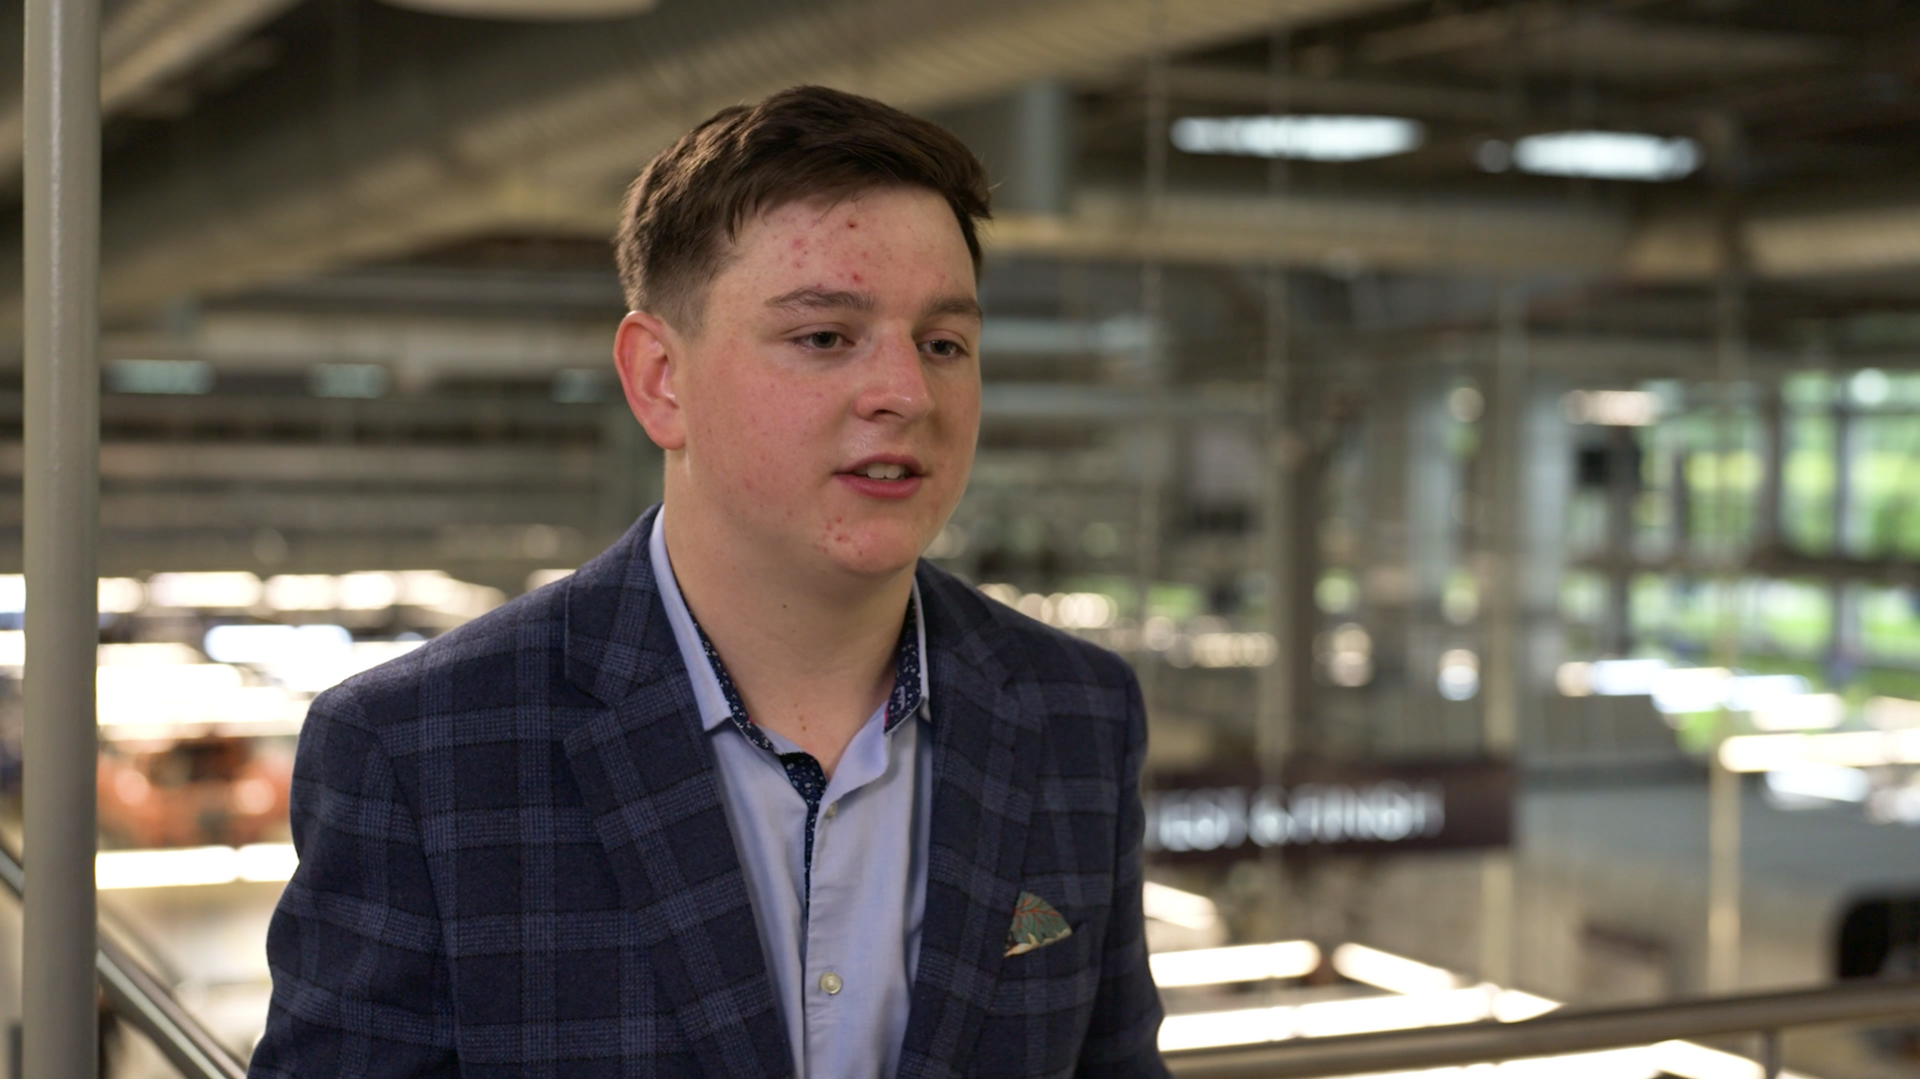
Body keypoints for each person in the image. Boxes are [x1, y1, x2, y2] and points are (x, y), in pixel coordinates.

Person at [249, 84, 1166, 1078]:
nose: (907, 392)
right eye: (825, 336)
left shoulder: (1078, 712)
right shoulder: (421, 748)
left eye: (943, 344)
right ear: (659, 379)